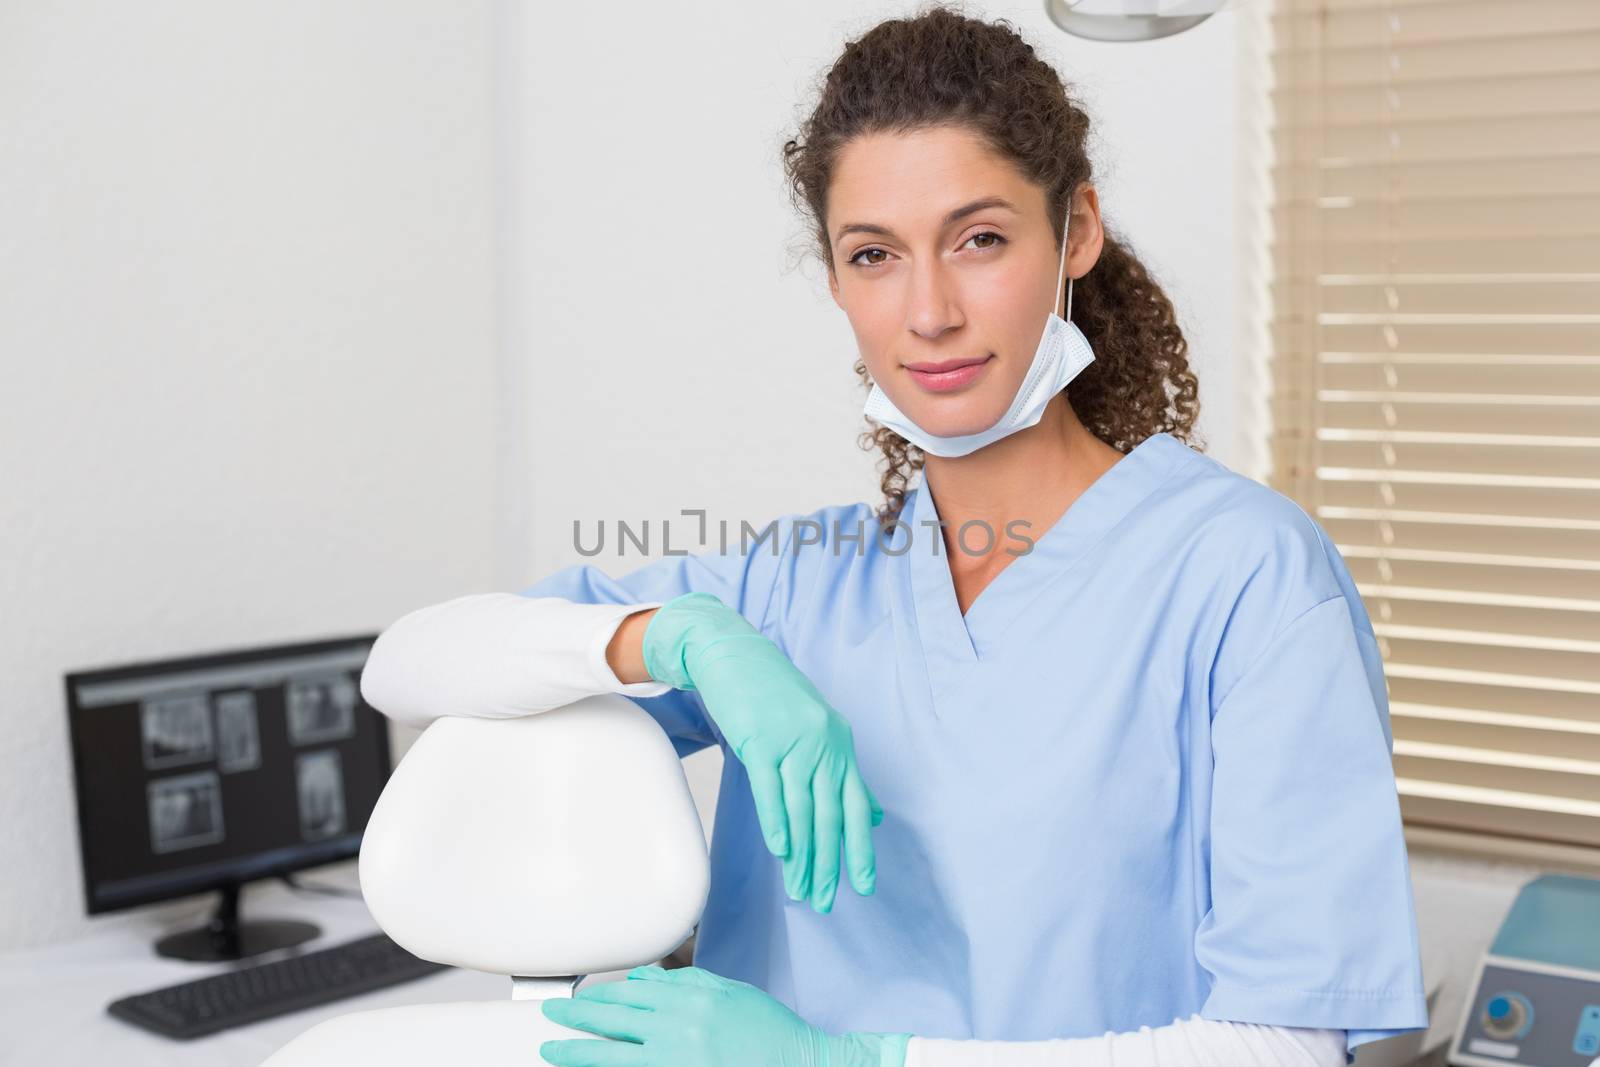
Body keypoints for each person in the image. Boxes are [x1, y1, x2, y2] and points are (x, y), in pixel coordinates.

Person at [358, 7, 1428, 1066]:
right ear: (833, 279)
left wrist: (855, 1062)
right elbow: (408, 664)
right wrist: (674, 636)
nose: (929, 311)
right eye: (873, 254)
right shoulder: (793, 587)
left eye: (980, 239)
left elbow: (1290, 1039)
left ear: (1077, 233)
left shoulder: (1246, 577)